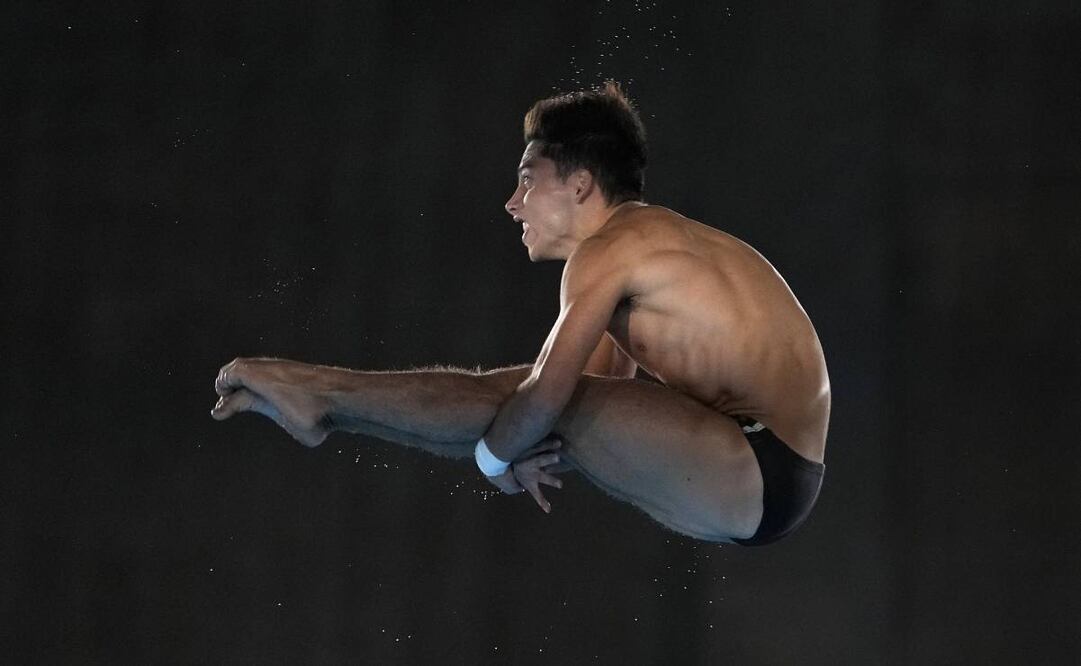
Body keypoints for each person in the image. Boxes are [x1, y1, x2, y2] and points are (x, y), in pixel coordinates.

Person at [211, 82, 829, 545]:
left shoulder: (610, 250)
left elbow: (546, 396)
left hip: (755, 462)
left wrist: (494, 462)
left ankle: (319, 394)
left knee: (527, 399)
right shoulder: (651, 244)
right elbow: (605, 393)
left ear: (581, 185)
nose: (512, 204)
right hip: (766, 474)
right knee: (527, 404)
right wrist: (512, 445)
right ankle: (323, 406)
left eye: (527, 180)